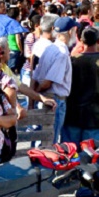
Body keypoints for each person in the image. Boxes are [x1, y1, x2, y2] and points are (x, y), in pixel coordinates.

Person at [63, 27, 99, 146]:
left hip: (72, 114)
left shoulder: (72, 60)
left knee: (69, 153)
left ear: (82, 41)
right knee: (90, 155)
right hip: (95, 115)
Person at [33, 16, 75, 145]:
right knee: (49, 141)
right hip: (54, 100)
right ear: (70, 31)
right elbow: (48, 82)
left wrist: (36, 95)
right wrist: (38, 94)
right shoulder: (61, 53)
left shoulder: (50, 48)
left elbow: (36, 75)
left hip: (48, 98)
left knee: (40, 137)